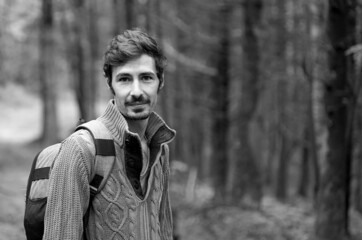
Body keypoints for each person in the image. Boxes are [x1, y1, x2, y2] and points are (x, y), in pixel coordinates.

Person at [43, 29, 176, 240]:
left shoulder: (160, 149)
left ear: (161, 81)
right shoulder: (80, 149)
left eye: (146, 77)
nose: (136, 91)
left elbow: (165, 231)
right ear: (110, 84)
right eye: (124, 79)